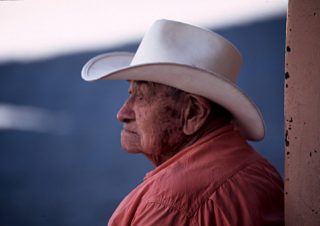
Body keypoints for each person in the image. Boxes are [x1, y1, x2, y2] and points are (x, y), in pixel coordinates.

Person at [81, 19, 284, 226]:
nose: (122, 113)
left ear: (194, 112)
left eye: (141, 97)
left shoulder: (166, 205)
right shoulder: (262, 170)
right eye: (130, 93)